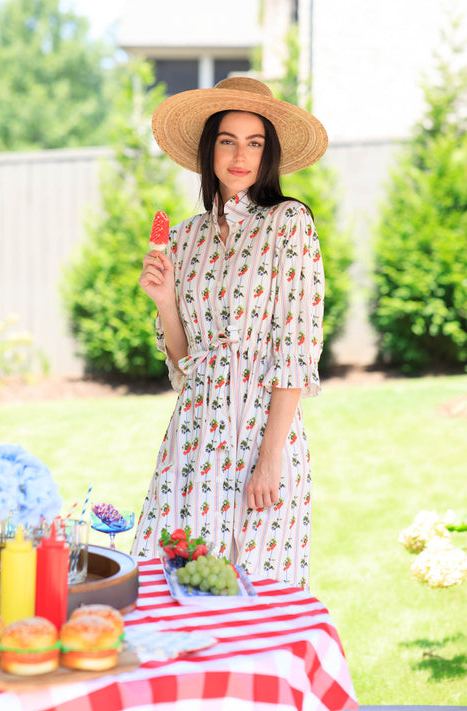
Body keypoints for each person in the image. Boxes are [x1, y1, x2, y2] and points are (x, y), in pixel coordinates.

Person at [131, 76, 328, 588]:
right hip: (195, 433)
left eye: (255, 142)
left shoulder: (290, 223)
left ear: (269, 154)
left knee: (257, 589)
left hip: (264, 428)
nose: (241, 155)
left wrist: (270, 459)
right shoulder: (184, 238)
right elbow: (183, 363)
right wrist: (166, 302)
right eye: (227, 140)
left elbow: (295, 352)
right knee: (175, 579)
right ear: (209, 150)